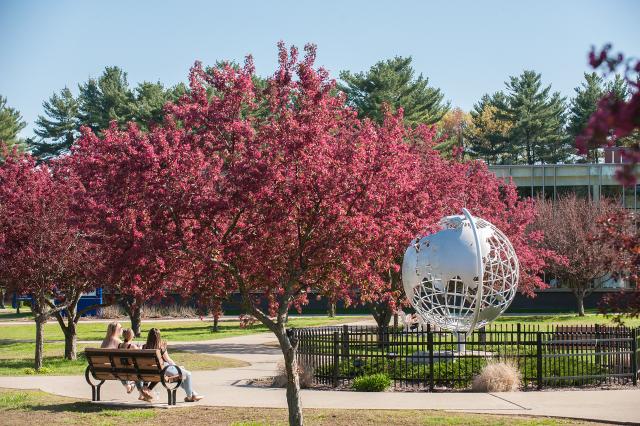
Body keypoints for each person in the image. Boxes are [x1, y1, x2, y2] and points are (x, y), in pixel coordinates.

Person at [143, 328, 203, 402]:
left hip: (152, 372)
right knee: (188, 374)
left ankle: (194, 394)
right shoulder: (161, 347)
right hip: (164, 370)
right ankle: (190, 397)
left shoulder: (144, 347)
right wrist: (177, 367)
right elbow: (169, 360)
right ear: (159, 337)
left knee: (181, 375)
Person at [100, 322, 150, 401]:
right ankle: (140, 391)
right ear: (116, 330)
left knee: (125, 367)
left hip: (101, 370)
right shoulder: (117, 341)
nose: (122, 330)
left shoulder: (105, 340)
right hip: (115, 370)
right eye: (120, 328)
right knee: (135, 369)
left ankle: (129, 386)